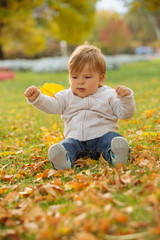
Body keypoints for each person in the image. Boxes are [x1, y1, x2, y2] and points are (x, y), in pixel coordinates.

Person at [24, 44, 136, 170]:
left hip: (102, 136)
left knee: (112, 140)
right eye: (74, 77)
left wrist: (125, 99)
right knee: (66, 145)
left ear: (101, 79)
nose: (80, 81)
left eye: (87, 77)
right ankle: (63, 159)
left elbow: (125, 113)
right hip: (76, 139)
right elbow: (51, 104)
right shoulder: (66, 96)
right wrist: (38, 98)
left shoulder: (109, 95)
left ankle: (116, 155)